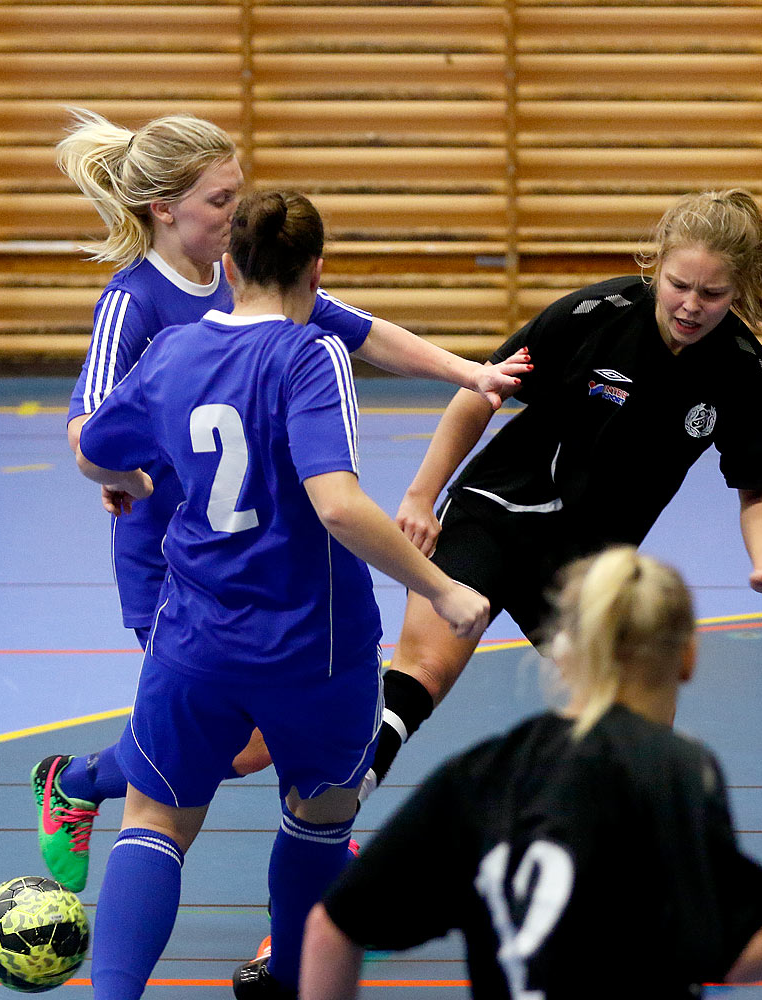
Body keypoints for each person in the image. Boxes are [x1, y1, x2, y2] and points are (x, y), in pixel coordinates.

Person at [33, 108, 528, 894]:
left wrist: (471, 372)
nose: (236, 214)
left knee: (242, 734)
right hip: (177, 566)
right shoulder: (134, 302)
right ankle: (82, 782)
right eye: (219, 201)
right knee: (229, 740)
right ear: (165, 210)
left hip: (256, 560)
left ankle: (308, 833)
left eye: (238, 195)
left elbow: (364, 330)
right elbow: (86, 430)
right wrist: (127, 480)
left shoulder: (251, 282)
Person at [72, 188, 493, 1000]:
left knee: (155, 822)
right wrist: (445, 592)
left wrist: (128, 477)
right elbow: (336, 503)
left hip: (194, 639)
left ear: (228, 268)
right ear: (317, 269)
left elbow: (93, 450)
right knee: (319, 819)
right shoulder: (310, 354)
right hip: (315, 648)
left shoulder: (173, 353)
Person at [363, 188, 762, 804]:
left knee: (636, 713)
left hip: (588, 566)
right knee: (427, 670)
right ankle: (339, 810)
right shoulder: (594, 314)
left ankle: (617, 857)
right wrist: (420, 496)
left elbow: (757, 485)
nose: (690, 305)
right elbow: (481, 392)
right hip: (497, 513)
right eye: (679, 285)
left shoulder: (743, 372)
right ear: (656, 266)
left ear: (742, 291)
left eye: (712, 295)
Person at [300, 547, 762, 1000]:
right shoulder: (677, 768)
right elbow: (729, 951)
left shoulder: (482, 771)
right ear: (688, 656)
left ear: (565, 653)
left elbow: (332, 927)